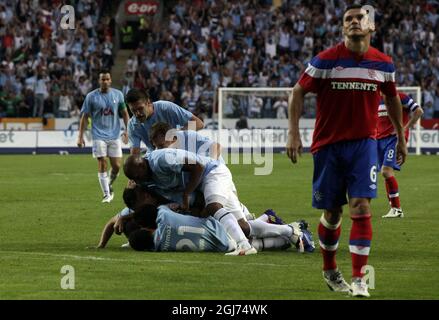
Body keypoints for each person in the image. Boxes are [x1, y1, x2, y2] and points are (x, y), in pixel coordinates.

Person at [286, 5, 408, 298]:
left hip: (365, 144)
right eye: (348, 19)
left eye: (359, 18)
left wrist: (401, 136)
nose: (354, 22)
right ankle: (330, 270)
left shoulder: (383, 65)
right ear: (343, 28)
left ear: (371, 27)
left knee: (361, 207)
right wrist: (293, 132)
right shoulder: (326, 61)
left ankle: (359, 280)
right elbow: (297, 92)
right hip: (328, 145)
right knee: (332, 212)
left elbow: (392, 100)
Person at [77, 71, 130, 203]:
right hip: (98, 135)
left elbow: (125, 113)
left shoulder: (118, 95)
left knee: (117, 166)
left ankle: (109, 184)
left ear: (110, 80)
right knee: (102, 161)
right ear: (99, 81)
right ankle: (106, 194)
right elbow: (84, 117)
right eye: (103, 79)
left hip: (114, 135)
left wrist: (127, 130)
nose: (105, 81)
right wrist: (80, 136)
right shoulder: (91, 96)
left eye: (107, 79)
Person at [378, 92, 424, 218]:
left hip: (394, 139)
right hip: (378, 140)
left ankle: (397, 209)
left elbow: (419, 111)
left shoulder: (399, 96)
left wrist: (404, 128)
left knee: (386, 171)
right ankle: (394, 209)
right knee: (387, 174)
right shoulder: (374, 99)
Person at [125, 88, 204, 155]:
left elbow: (198, 123)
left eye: (140, 108)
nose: (137, 113)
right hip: (156, 157)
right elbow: (135, 153)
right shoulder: (132, 125)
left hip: (180, 152)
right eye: (133, 110)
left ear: (148, 103)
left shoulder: (166, 108)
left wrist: (174, 136)